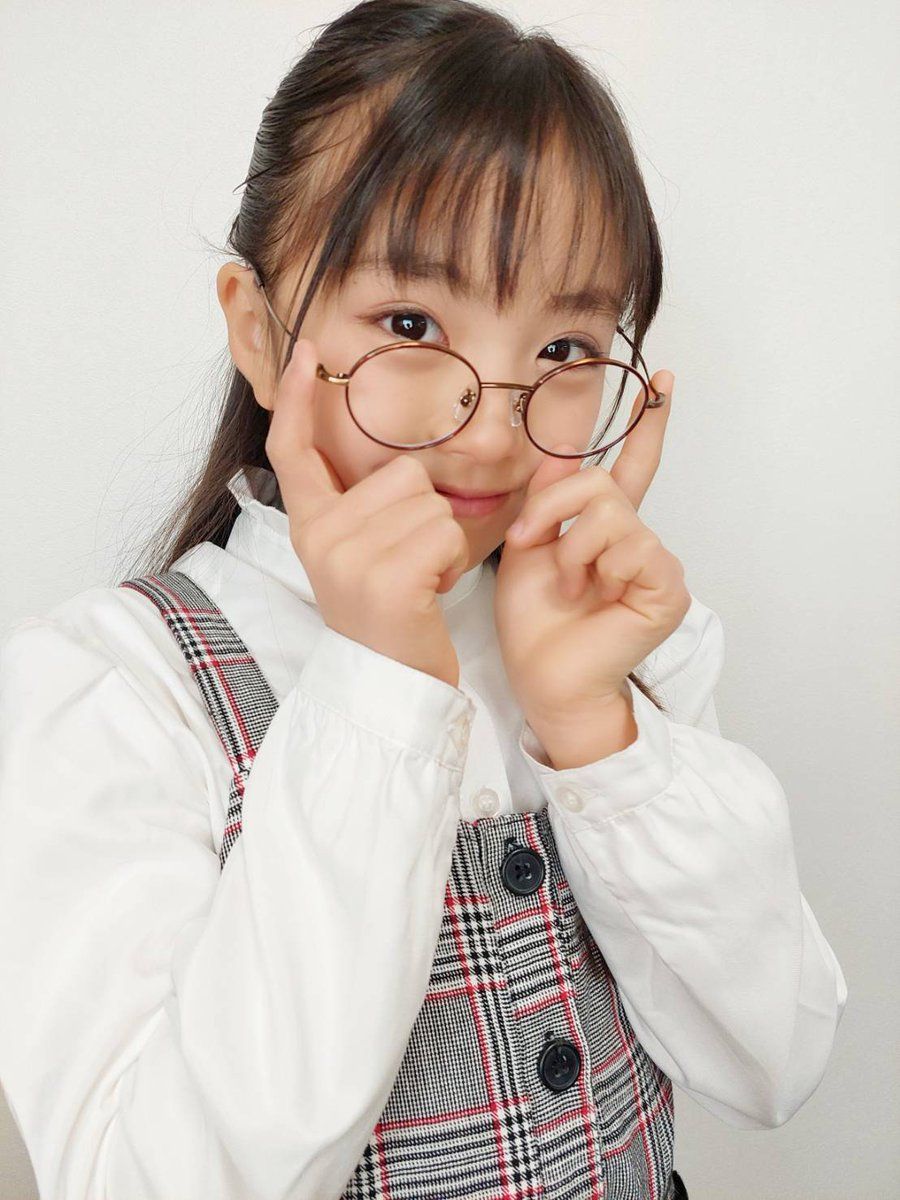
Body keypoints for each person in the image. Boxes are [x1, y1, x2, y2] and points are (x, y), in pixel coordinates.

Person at [0, 2, 847, 1198]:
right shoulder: (115, 692)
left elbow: (774, 1068)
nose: (491, 433)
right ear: (261, 333)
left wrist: (593, 729)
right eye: (411, 323)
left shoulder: (620, 648)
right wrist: (381, 685)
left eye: (564, 350)